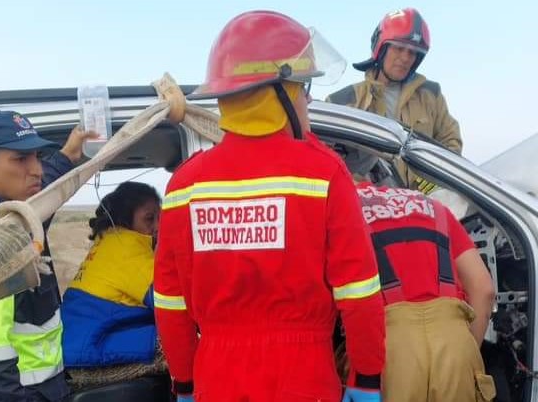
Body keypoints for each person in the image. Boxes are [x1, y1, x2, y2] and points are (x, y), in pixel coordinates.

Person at [154, 11, 385, 402]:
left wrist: (185, 383)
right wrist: (366, 379)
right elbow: (360, 293)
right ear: (277, 92)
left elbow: (170, 302)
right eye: (302, 87)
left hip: (217, 378)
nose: (307, 99)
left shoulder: (183, 186)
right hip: (303, 377)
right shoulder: (323, 174)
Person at [0, 110, 96, 402]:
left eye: (37, 156)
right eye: (20, 159)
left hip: (43, 388)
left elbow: (47, 181)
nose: (36, 169)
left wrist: (68, 154)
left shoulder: (18, 208)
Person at [343, 148, 497, 402]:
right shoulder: (432, 206)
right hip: (454, 344)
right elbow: (484, 289)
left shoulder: (344, 209)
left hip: (389, 351)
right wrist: (465, 351)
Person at [326, 8, 461, 193]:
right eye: (398, 48)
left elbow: (451, 145)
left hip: (424, 206)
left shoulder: (431, 94)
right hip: (370, 210)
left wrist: (430, 182)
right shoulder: (342, 102)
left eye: (413, 53)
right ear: (381, 49)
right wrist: (362, 187)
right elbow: (326, 165)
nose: (405, 58)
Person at [61, 181, 161, 367]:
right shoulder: (127, 248)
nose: (157, 226)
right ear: (125, 219)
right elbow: (166, 300)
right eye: (149, 219)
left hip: (75, 340)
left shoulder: (109, 241)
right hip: (93, 342)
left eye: (160, 218)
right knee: (178, 341)